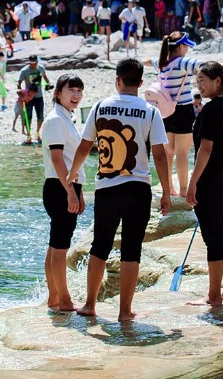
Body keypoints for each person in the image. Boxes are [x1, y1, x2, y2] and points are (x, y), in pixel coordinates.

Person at [66, 58, 173, 325]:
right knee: (131, 249)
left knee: (99, 246)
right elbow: (160, 155)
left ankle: (90, 304)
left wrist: (72, 175)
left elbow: (84, 146)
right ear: (139, 83)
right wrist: (168, 191)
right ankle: (125, 311)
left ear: (117, 80)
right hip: (139, 188)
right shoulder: (150, 112)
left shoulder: (101, 106)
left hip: (107, 188)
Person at [185, 62, 223, 307]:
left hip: (210, 183)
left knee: (214, 240)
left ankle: (213, 295)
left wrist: (193, 182)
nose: (199, 85)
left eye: (203, 80)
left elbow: (205, 148)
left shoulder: (210, 110)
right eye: (197, 81)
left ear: (217, 81)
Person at [39, 76, 86, 313]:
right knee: (60, 248)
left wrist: (80, 191)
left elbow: (69, 160)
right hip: (60, 187)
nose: (76, 95)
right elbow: (58, 160)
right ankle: (64, 299)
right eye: (71, 90)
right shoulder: (57, 120)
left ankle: (54, 297)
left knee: (54, 246)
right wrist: (70, 191)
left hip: (64, 186)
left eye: (79, 90)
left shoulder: (66, 118)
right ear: (58, 93)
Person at [151, 34, 198, 197]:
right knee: (182, 153)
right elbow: (201, 66)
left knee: (168, 152)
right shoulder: (182, 62)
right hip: (183, 111)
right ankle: (184, 191)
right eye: (186, 46)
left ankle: (169, 189)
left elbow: (150, 62)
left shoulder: (161, 63)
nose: (187, 50)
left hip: (165, 111)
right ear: (181, 47)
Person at [16, 54, 49, 144]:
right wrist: (21, 94)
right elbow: (19, 83)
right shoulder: (25, 71)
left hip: (39, 96)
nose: (33, 65)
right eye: (31, 63)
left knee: (40, 116)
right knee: (28, 117)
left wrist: (48, 84)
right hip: (28, 98)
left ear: (37, 62)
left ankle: (37, 133)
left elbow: (45, 77)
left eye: (34, 63)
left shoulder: (41, 68)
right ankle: (28, 135)